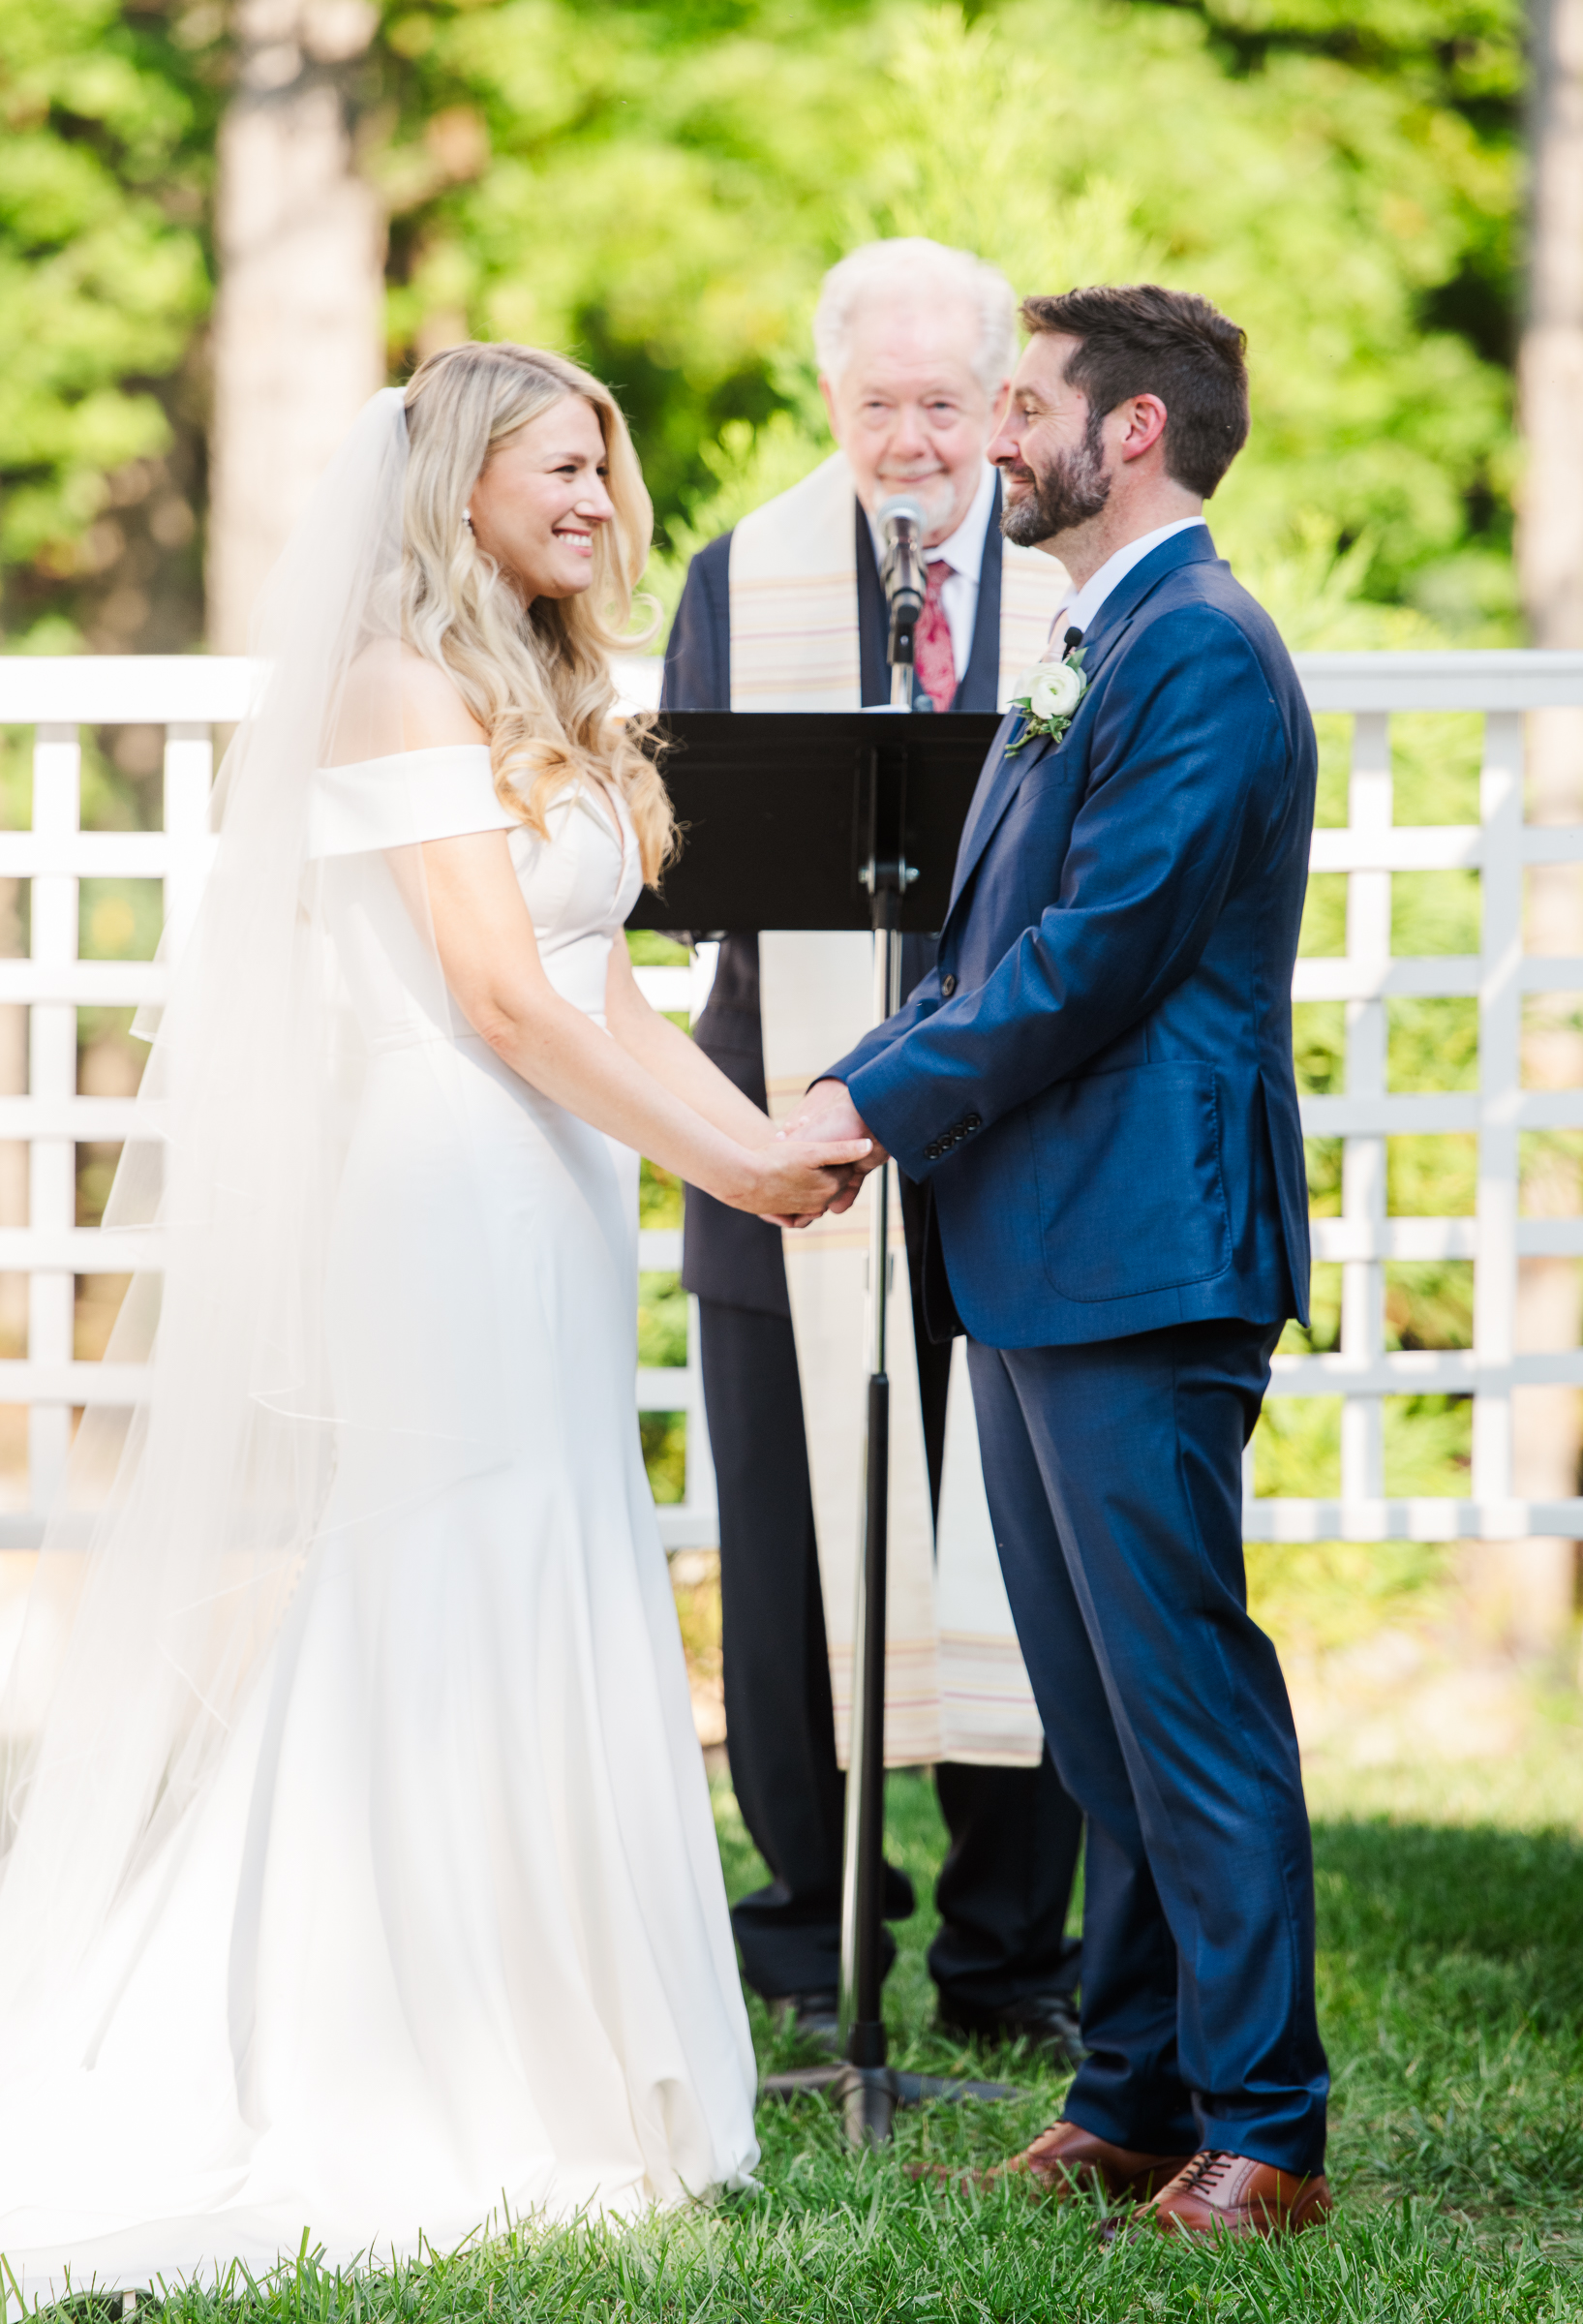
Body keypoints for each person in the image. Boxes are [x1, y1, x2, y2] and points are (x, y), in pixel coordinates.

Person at [0, 344, 870, 2292]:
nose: (595, 502)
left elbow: (607, 991)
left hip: (547, 1180)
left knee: (551, 1556)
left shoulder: (544, 684)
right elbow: (497, 999)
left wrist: (771, 1143)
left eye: (603, 473)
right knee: (453, 1572)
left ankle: (562, 2043)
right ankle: (401, 2055)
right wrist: (731, 1178)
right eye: (560, 469)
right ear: (459, 478)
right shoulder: (393, 678)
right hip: (443, 1181)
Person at [783, 285, 1332, 2237]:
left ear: (1130, 436)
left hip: (1143, 1249)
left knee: (1176, 1699)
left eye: (1021, 404)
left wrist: (855, 1107)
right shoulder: (1090, 641)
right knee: (1094, 1716)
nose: (990, 436)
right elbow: (981, 946)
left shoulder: (1196, 652)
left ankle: (1264, 2129)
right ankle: (1128, 2094)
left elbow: (1087, 960)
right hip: (1039, 1242)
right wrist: (883, 1079)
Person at [664, 238, 1084, 2052]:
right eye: (875, 401)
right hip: (788, 1133)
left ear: (999, 403)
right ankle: (811, 1930)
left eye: (942, 402)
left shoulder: (1081, 587)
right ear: (827, 393)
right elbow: (682, 867)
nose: (908, 439)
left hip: (1010, 1141)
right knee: (784, 1540)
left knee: (1017, 1527)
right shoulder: (734, 579)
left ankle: (1008, 1954)